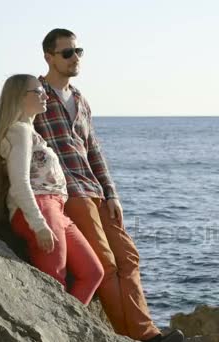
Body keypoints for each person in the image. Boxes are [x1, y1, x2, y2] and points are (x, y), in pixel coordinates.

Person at [33, 29, 184, 342]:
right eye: (67, 53)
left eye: (79, 51)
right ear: (49, 57)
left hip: (96, 191)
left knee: (129, 258)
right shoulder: (35, 95)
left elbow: (94, 150)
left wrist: (112, 194)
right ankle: (140, 336)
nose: (75, 58)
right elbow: (9, 132)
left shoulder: (80, 99)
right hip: (68, 192)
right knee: (107, 264)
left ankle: (145, 331)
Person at [0, 74, 104, 306]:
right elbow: (20, 183)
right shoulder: (19, 131)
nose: (45, 95)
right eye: (38, 92)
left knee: (92, 272)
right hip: (40, 207)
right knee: (54, 281)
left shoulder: (30, 131)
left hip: (55, 209)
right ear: (19, 97)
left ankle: (69, 329)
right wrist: (39, 224)